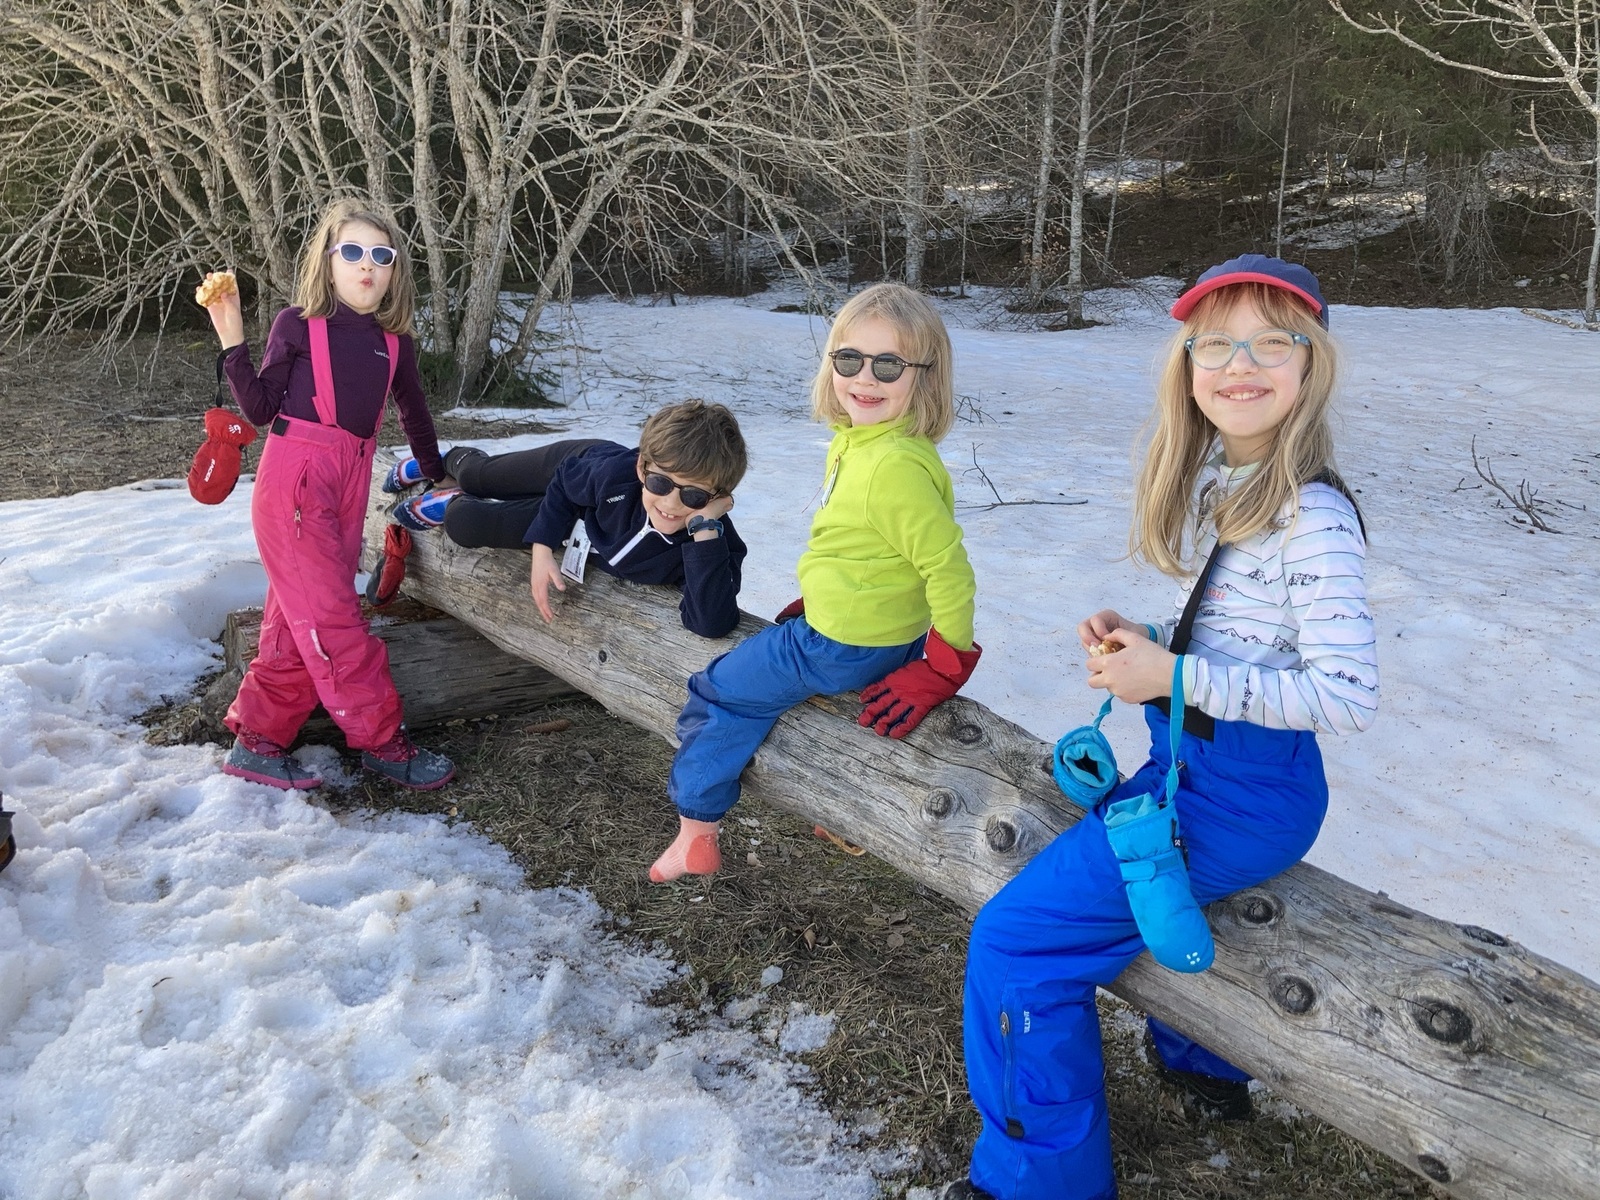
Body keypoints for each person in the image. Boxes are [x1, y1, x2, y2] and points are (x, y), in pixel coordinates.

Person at [947, 255, 1379, 1200]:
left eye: (1272, 342)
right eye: (1214, 344)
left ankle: (1036, 1182)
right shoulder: (1248, 483)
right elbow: (1255, 645)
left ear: (1312, 363)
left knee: (1016, 944)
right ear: (1186, 367)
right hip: (1200, 775)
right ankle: (1201, 1059)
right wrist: (1151, 646)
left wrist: (1172, 676)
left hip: (1242, 797)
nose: (1240, 364)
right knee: (1125, 895)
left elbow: (1345, 695)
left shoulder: (1312, 515)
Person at [649, 282, 982, 884]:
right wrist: (835, 590)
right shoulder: (870, 442)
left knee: (716, 692)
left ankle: (695, 829)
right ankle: (839, 807)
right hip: (871, 628)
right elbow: (873, 546)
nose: (865, 378)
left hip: (840, 645)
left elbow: (947, 568)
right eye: (849, 359)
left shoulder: (891, 467)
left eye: (889, 365)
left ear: (925, 376)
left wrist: (945, 665)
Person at [199, 199, 456, 792]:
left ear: (394, 270)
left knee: (300, 619)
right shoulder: (298, 324)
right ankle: (382, 742)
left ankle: (257, 742)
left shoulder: (394, 342)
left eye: (381, 255)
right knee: (335, 620)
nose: (368, 265)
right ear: (329, 260)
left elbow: (414, 413)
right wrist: (232, 337)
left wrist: (438, 475)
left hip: (350, 485)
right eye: (354, 251)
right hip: (295, 484)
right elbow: (260, 408)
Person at [382, 401, 749, 639]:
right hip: (574, 469)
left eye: (693, 496)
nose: (671, 503)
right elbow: (564, 484)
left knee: (465, 522)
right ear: (642, 468)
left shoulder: (713, 543)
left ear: (719, 499)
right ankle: (446, 461)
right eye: (660, 483)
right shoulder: (614, 475)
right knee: (482, 476)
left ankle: (454, 499)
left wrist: (705, 530)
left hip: (579, 527)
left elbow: (711, 621)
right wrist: (541, 550)